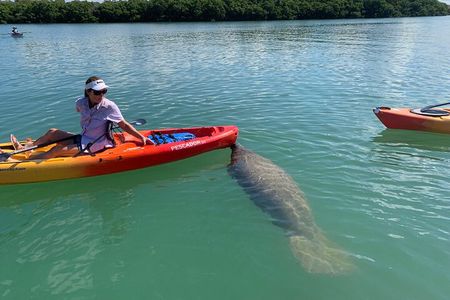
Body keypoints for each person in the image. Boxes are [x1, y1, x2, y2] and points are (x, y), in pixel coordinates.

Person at [11, 76, 151, 159]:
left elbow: (124, 125)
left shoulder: (110, 107)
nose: (101, 95)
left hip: (97, 143)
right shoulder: (81, 103)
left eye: (104, 91)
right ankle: (27, 147)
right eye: (97, 92)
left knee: (57, 149)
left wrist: (141, 137)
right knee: (52, 132)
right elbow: (79, 110)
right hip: (83, 137)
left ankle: (24, 160)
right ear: (88, 92)